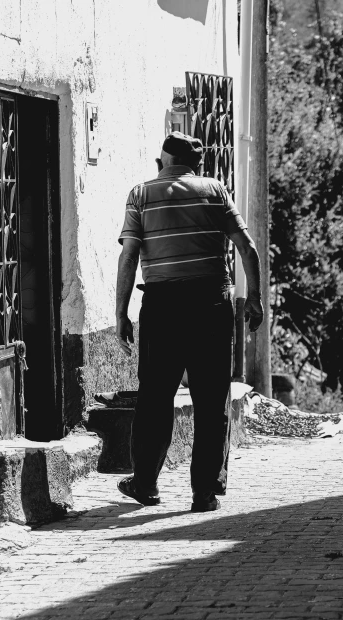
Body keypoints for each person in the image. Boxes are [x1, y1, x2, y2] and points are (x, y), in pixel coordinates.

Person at [115, 131, 263, 512]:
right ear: (195, 164)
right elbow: (247, 248)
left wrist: (121, 312)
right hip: (212, 303)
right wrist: (255, 300)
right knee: (212, 400)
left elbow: (129, 257)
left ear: (162, 162)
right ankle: (205, 492)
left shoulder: (141, 194)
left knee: (155, 398)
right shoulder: (215, 190)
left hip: (163, 306)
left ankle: (146, 484)